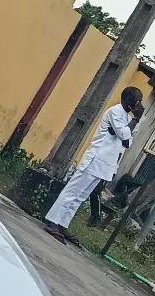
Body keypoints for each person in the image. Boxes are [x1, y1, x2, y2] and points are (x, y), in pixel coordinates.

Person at [45, 87, 143, 238]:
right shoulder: (115, 111)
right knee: (72, 192)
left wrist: (127, 127)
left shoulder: (128, 119)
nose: (138, 105)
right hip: (95, 159)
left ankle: (63, 224)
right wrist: (134, 121)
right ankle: (52, 222)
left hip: (106, 165)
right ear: (128, 98)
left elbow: (127, 142)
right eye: (137, 101)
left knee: (81, 196)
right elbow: (124, 134)